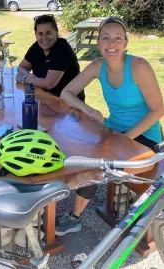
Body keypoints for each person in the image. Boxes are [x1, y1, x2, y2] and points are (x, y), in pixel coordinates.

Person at [56, 17, 164, 236]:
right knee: (82, 151)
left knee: (97, 164)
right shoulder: (98, 66)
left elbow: (159, 109)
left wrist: (126, 138)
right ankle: (57, 197)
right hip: (115, 130)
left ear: (125, 43)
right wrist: (87, 109)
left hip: (145, 137)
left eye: (117, 38)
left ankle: (74, 218)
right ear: (99, 44)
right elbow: (66, 93)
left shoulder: (138, 66)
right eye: (105, 38)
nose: (111, 44)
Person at [16, 14, 85, 101]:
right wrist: (30, 76)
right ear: (36, 35)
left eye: (48, 33)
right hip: (45, 98)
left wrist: (24, 79)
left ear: (56, 32)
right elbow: (21, 67)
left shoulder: (62, 49)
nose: (44, 38)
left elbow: (49, 83)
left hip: (69, 105)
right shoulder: (37, 46)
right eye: (40, 34)